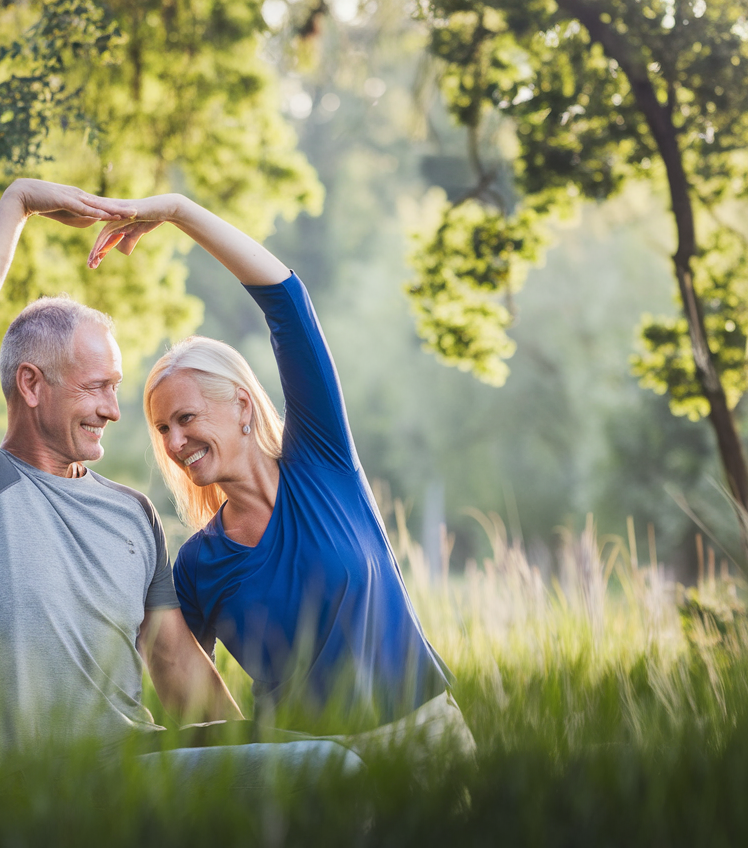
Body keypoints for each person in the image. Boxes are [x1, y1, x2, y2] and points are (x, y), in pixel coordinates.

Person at [88, 193, 471, 744]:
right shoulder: (199, 563)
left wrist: (177, 211)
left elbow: (287, 302)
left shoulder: (321, 461)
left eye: (187, 417)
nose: (175, 441)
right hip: (316, 771)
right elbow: (184, 686)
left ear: (242, 405)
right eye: (162, 429)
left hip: (428, 735)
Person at [0, 178, 243, 761]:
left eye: (115, 389)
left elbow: (171, 658)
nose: (114, 411)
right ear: (32, 384)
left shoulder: (133, 512)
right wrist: (18, 202)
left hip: (131, 771)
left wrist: (254, 758)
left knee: (332, 764)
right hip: (16, 795)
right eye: (96, 388)